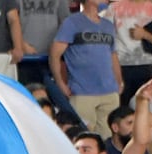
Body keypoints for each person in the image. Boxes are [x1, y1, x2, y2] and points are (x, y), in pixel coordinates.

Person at [51, 2, 122, 135]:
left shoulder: (108, 25)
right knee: (82, 136)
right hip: (82, 91)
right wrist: (60, 83)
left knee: (107, 137)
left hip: (109, 91)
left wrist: (119, 81)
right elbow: (55, 54)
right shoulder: (71, 23)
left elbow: (113, 56)